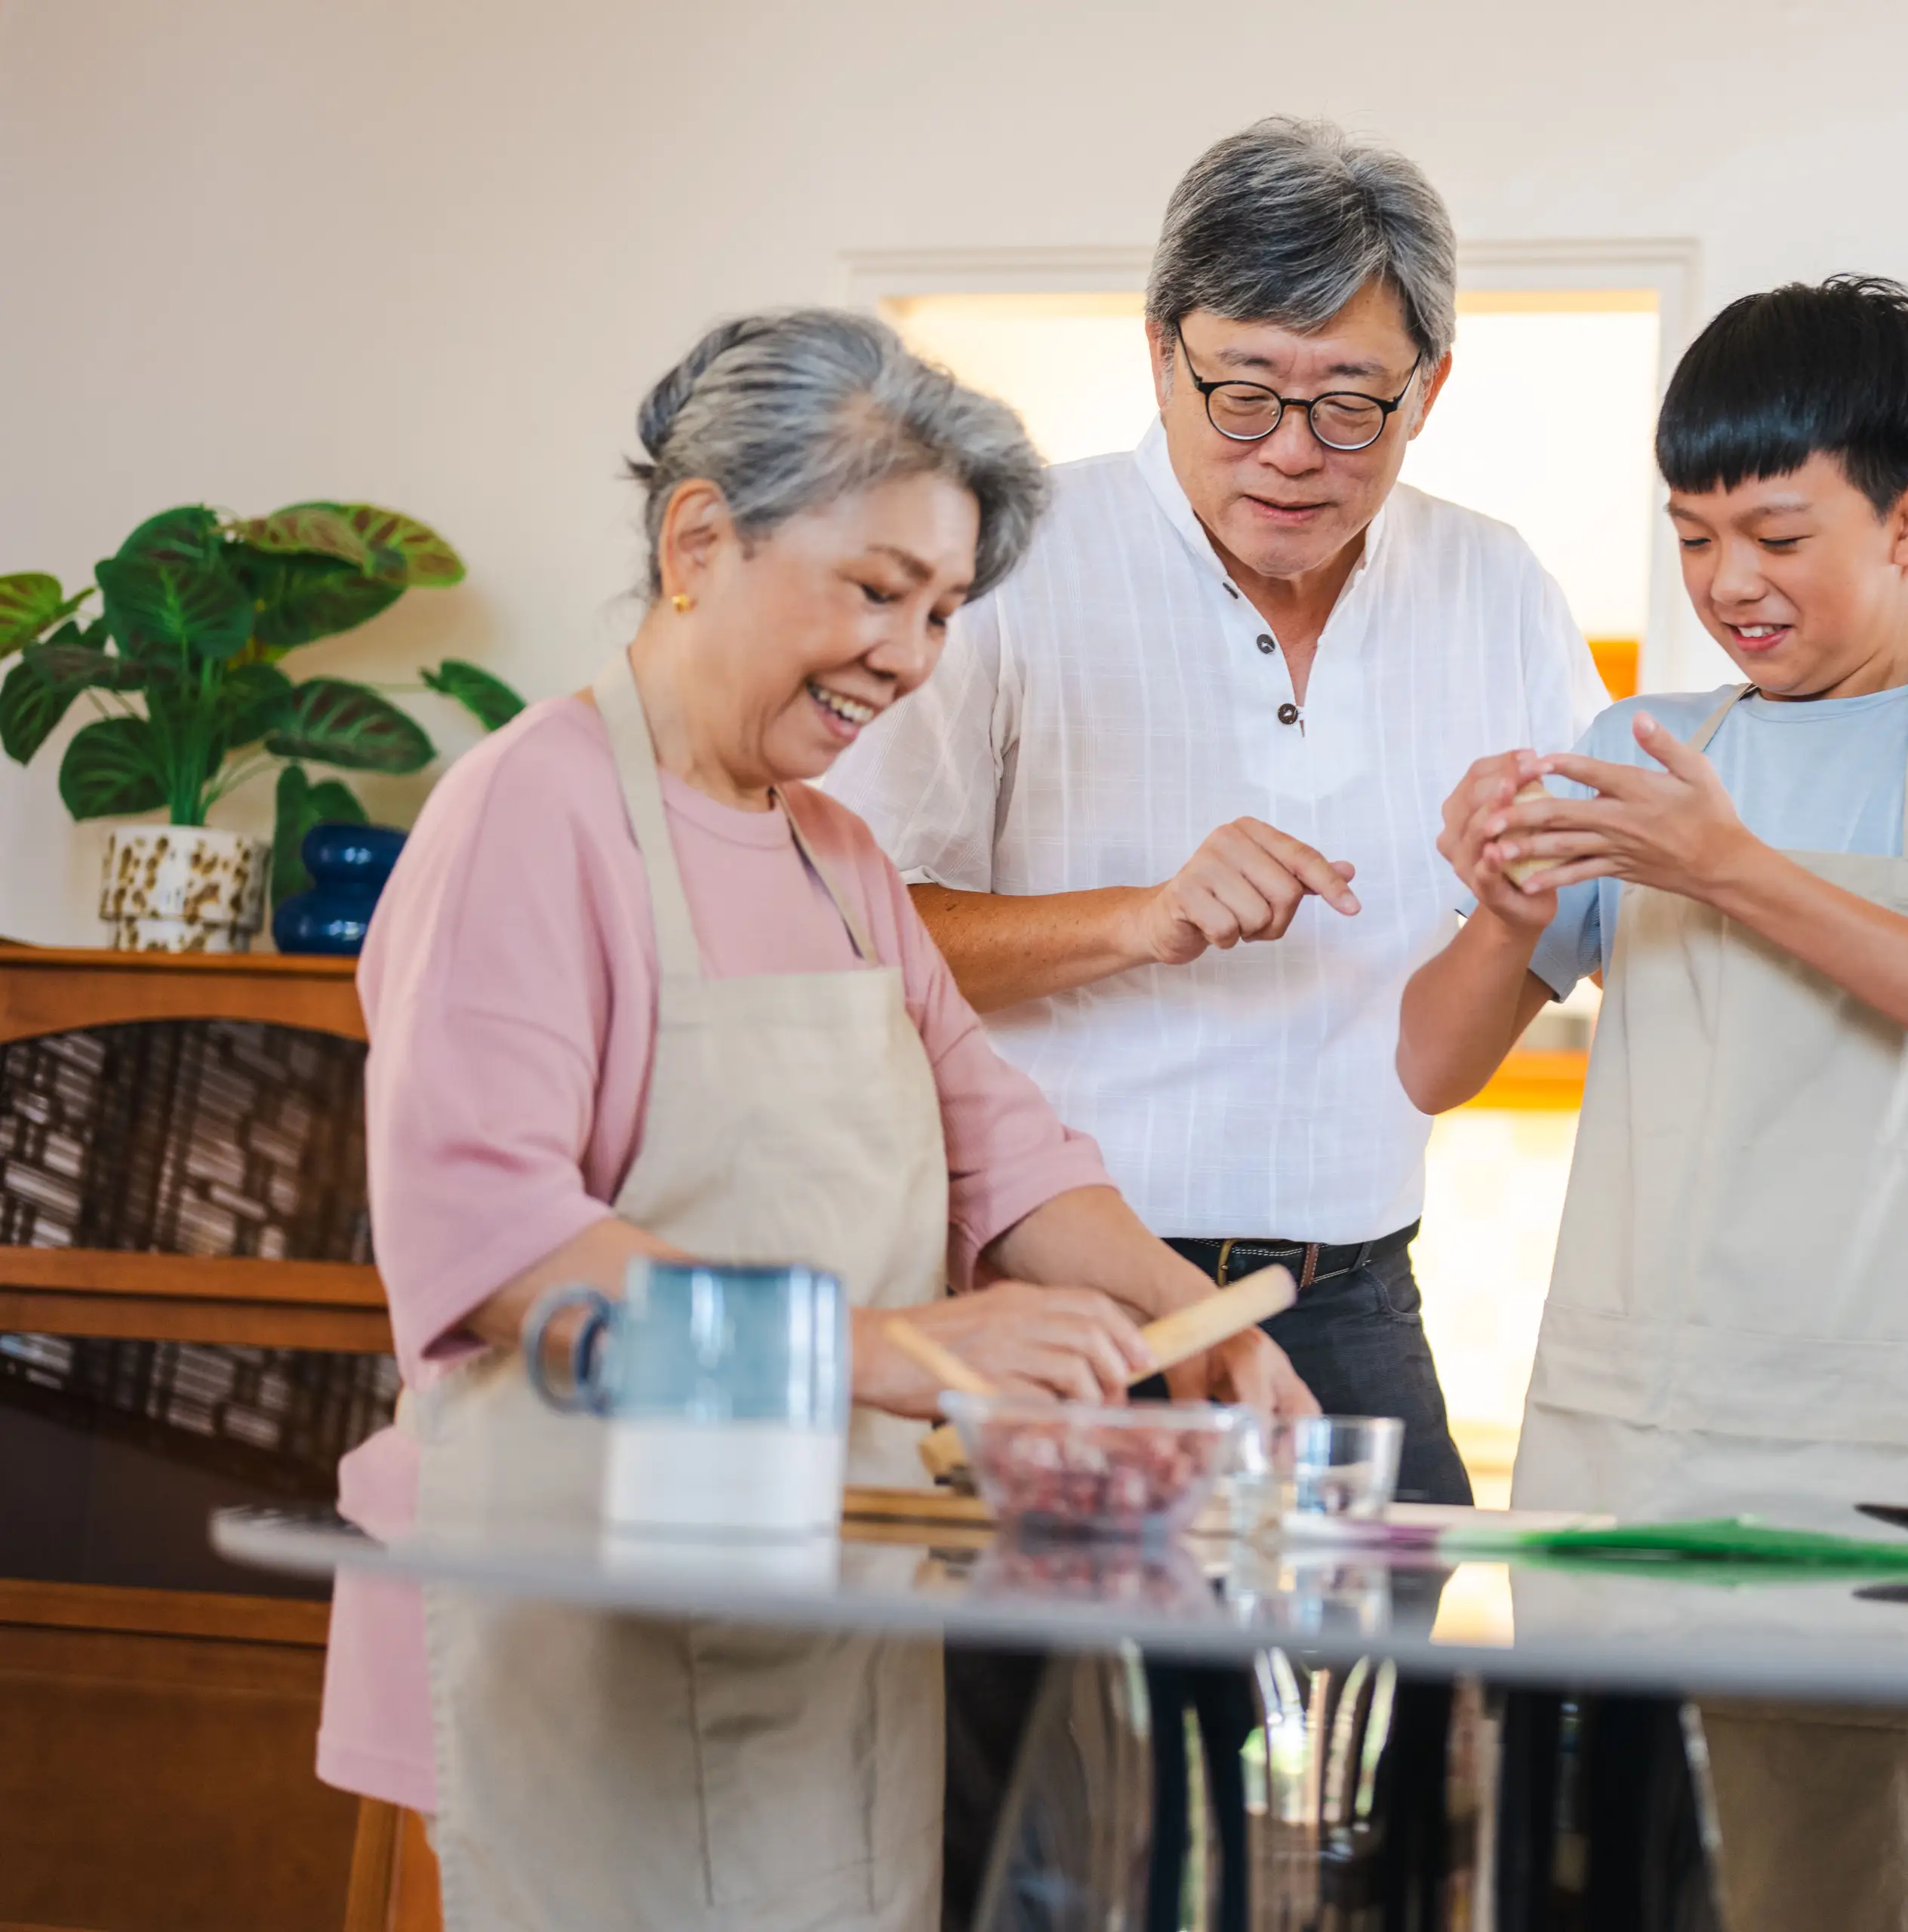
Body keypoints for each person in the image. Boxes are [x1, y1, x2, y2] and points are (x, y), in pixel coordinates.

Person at [314, 307, 1307, 1931]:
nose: (911, 658)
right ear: (699, 538)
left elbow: (1004, 1145)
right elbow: (503, 1253)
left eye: (941, 610)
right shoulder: (531, 812)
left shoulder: (839, 859)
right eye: (875, 592)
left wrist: (1182, 1316)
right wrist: (900, 1349)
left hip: (839, 1598)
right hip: (595, 1613)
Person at [1397, 275, 1908, 1931]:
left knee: (1839, 1888)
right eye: (1692, 534)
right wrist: (1508, 906)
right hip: (1615, 1428)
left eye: (1777, 533)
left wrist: (1730, 868)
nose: (1728, 581)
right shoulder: (1646, 739)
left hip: (1857, 1445)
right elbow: (1436, 1065)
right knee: (1576, 1878)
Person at [824, 117, 1597, 1508]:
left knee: (1397, 1725)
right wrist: (1145, 918)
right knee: (1057, 1730)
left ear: (1429, 389)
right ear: (1160, 351)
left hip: (1353, 1301)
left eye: (1352, 402)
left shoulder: (1498, 589)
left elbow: (1603, 904)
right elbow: (860, 942)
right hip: (1061, 1298)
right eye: (1245, 392)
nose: (1294, 451)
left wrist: (1881, 710)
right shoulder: (1006, 567)